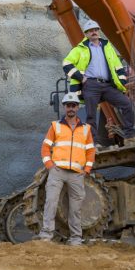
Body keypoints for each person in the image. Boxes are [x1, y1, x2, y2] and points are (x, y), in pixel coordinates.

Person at [62, 19, 135, 145]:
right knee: (91, 114)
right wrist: (81, 78)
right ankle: (94, 143)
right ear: (86, 33)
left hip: (107, 85)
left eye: (95, 30)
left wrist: (122, 82)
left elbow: (118, 66)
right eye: (90, 31)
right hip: (90, 85)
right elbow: (66, 64)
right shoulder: (80, 49)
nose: (94, 32)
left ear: (99, 32)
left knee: (127, 104)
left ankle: (130, 137)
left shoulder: (107, 47)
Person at [37, 93, 96, 246]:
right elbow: (45, 148)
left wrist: (87, 168)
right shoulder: (55, 126)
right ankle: (46, 235)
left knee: (76, 208)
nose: (71, 108)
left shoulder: (85, 129)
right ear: (65, 107)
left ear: (78, 107)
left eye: (74, 105)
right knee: (51, 202)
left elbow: (90, 151)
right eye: (68, 105)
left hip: (77, 174)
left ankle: (76, 238)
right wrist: (50, 165)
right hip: (58, 172)